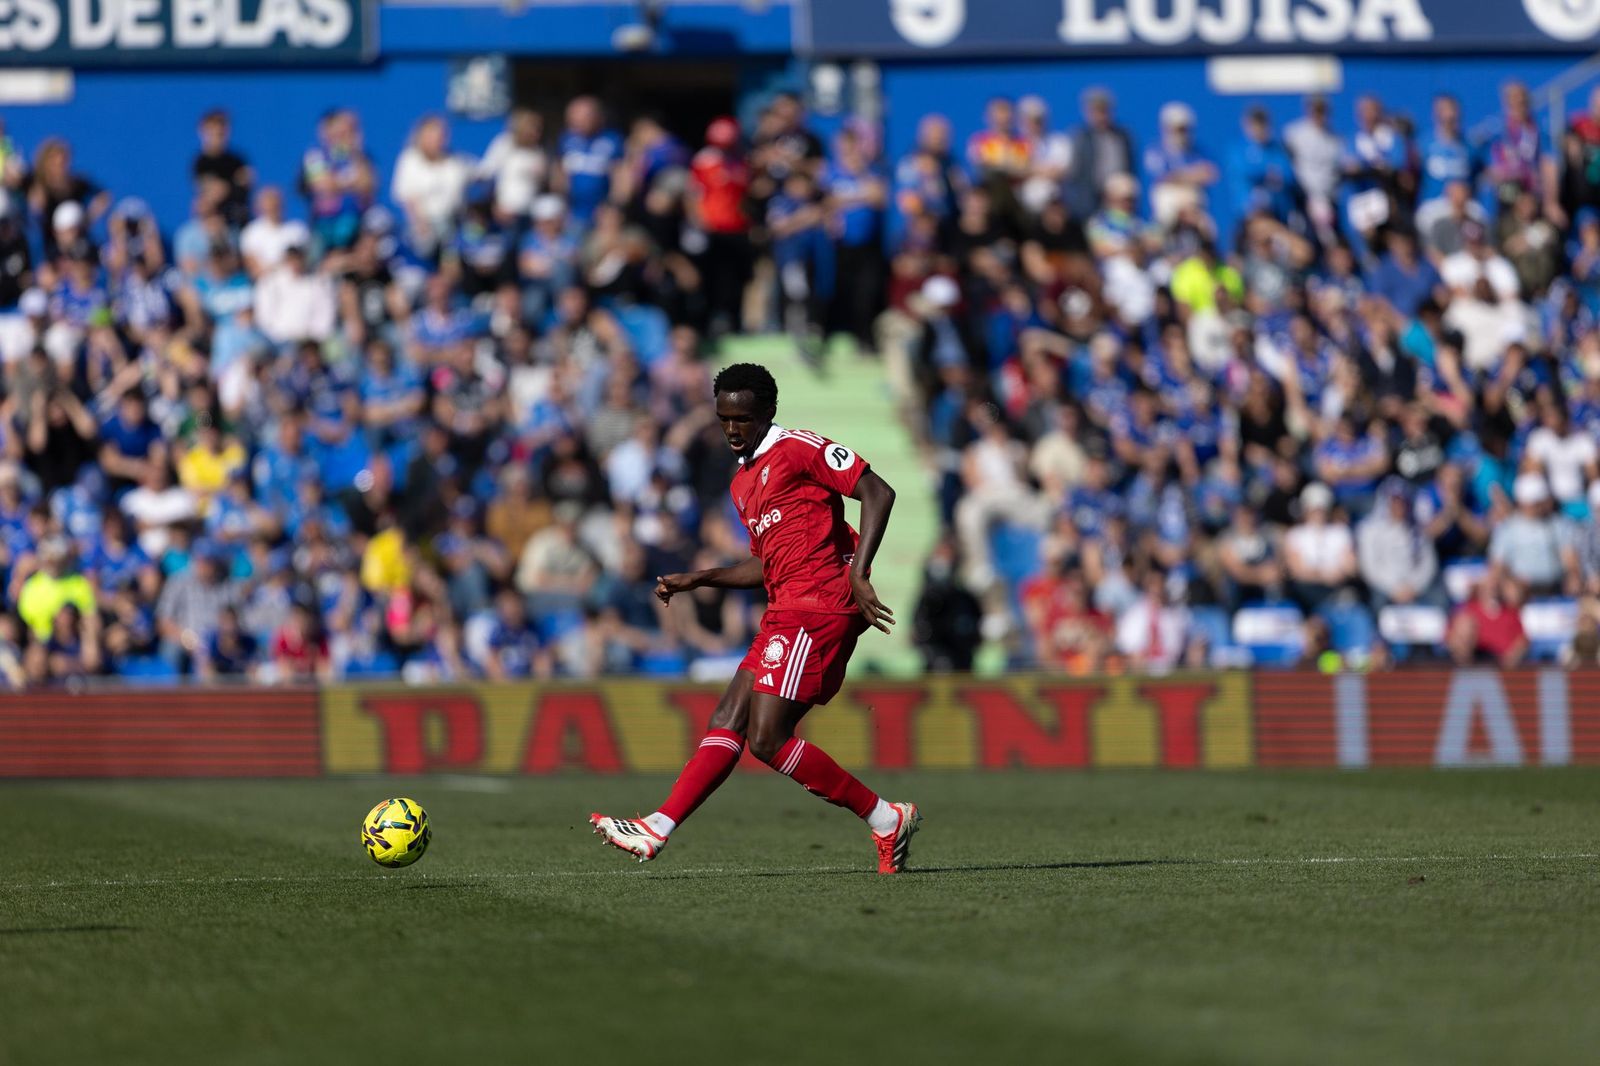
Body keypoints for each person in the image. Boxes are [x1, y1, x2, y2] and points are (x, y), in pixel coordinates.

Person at [589, 363, 920, 874]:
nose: (731, 429)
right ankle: (658, 825)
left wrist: (857, 571)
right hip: (786, 606)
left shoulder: (799, 448)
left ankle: (883, 816)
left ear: (767, 412)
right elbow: (767, 564)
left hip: (820, 604)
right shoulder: (743, 483)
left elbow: (879, 493)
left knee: (766, 738)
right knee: (728, 718)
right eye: (723, 418)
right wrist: (699, 578)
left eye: (741, 419)